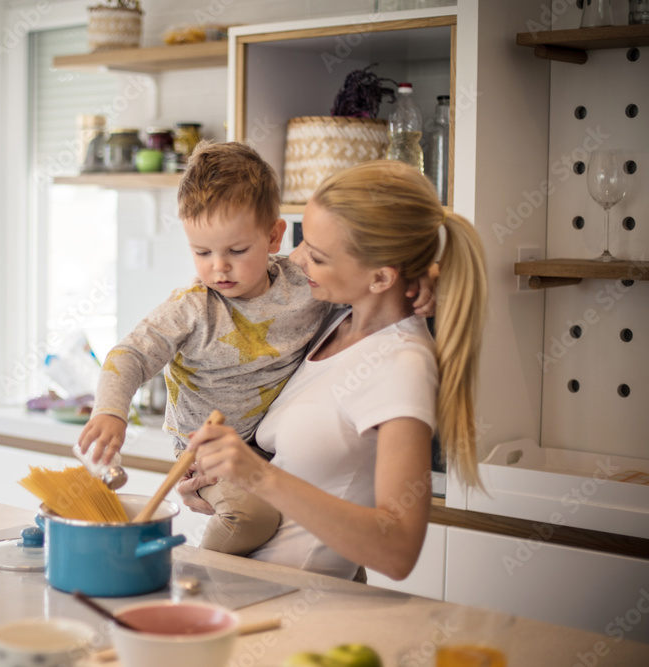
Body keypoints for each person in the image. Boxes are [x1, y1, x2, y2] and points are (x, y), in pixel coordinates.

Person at [77, 143, 433, 557]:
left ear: (274, 235)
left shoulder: (309, 289)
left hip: (263, 462)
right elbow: (132, 354)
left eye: (237, 251)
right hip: (206, 450)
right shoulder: (194, 308)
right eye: (201, 252)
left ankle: (201, 579)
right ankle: (199, 576)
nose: (218, 268)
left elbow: (376, 275)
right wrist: (110, 410)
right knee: (253, 517)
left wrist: (424, 274)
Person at [180, 159, 486, 582]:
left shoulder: (402, 366)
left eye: (318, 256)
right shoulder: (334, 320)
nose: (297, 259)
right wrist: (221, 486)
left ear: (380, 277)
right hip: (249, 595)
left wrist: (258, 477)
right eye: (303, 239)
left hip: (299, 609)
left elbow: (397, 551)